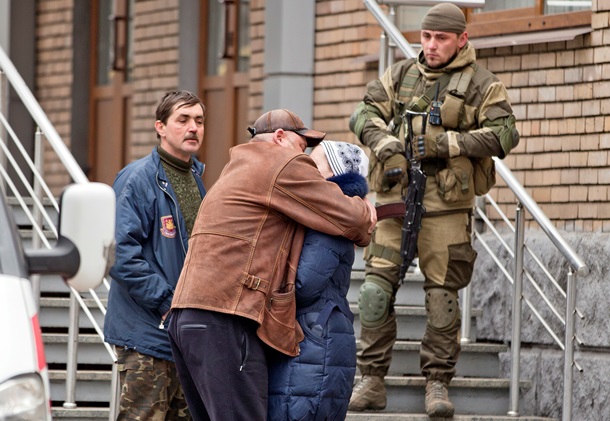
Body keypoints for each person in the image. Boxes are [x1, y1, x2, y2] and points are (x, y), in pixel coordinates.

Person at [347, 3, 520, 418]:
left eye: (441, 38)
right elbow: (363, 113)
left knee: (442, 298)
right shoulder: (403, 75)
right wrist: (388, 146)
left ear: (462, 38)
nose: (431, 45)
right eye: (426, 37)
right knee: (373, 292)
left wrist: (449, 145)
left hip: (447, 208)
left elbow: (505, 134)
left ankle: (437, 383)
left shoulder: (482, 83)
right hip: (394, 203)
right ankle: (371, 379)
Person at [167, 109, 377, 421]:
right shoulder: (282, 162)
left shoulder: (234, 169)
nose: (304, 155)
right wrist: (365, 207)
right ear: (279, 138)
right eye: (301, 144)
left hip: (186, 316)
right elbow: (351, 217)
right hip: (227, 317)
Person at [104, 90, 207, 420]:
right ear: (160, 127)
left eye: (199, 121)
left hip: (186, 334)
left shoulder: (197, 179)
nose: (193, 127)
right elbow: (120, 254)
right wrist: (165, 302)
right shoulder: (137, 179)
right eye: (183, 120)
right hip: (147, 333)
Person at [267, 141, 370, 421]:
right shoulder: (326, 217)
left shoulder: (329, 223)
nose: (305, 166)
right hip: (320, 332)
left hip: (315, 338)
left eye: (314, 162)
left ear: (333, 175)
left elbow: (304, 284)